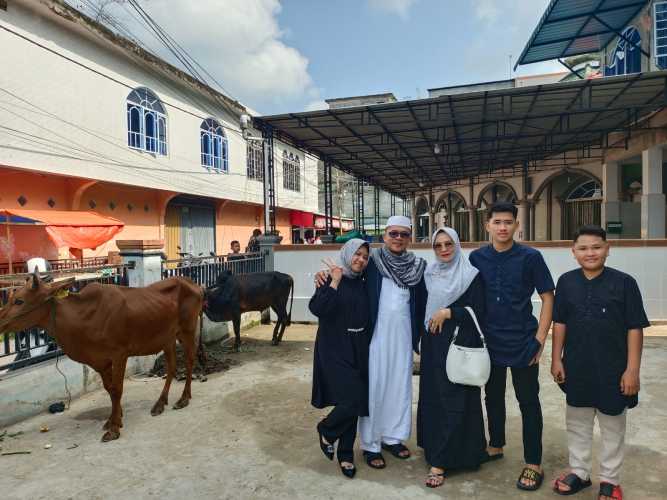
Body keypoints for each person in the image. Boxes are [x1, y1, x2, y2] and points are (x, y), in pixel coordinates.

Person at [315, 215, 427, 470]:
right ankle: (371, 444)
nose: (398, 238)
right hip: (374, 337)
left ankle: (393, 437)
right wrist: (325, 277)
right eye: (393, 233)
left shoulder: (418, 266)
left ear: (410, 238)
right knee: (374, 390)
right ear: (385, 236)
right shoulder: (373, 262)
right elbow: (348, 269)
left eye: (404, 234)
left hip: (403, 337)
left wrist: (421, 338)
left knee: (399, 388)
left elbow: (421, 304)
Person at [551, 225, 648, 500]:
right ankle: (579, 472)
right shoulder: (567, 282)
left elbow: (634, 327)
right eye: (583, 248)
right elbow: (560, 322)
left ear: (607, 249)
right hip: (577, 368)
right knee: (577, 423)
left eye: (596, 247)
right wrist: (556, 358)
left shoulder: (624, 282)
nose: (590, 253)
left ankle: (610, 480)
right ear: (573, 252)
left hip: (614, 370)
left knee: (612, 426)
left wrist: (632, 370)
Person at [469, 201, 555, 491]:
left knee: (528, 402)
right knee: (492, 397)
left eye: (508, 222)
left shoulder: (531, 257)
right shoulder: (476, 258)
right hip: (488, 341)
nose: (503, 227)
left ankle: (533, 462)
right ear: (488, 225)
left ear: (517, 225)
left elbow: (548, 298)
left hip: (522, 341)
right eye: (497, 222)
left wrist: (540, 341)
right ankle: (496, 445)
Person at [417, 227, 488, 488]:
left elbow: (480, 310)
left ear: (457, 245)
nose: (444, 249)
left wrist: (449, 312)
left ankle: (443, 460)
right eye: (438, 246)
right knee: (434, 397)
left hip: (458, 344)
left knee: (455, 399)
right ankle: (436, 450)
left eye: (449, 244)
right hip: (433, 345)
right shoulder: (429, 274)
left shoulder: (471, 275)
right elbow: (420, 309)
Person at [310, 239, 371, 479]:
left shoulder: (365, 283)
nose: (360, 260)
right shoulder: (329, 279)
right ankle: (326, 430)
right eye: (357, 255)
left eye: (365, 257)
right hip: (334, 346)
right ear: (347, 254)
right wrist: (334, 280)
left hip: (359, 347)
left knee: (353, 402)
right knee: (352, 398)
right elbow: (318, 309)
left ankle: (345, 454)